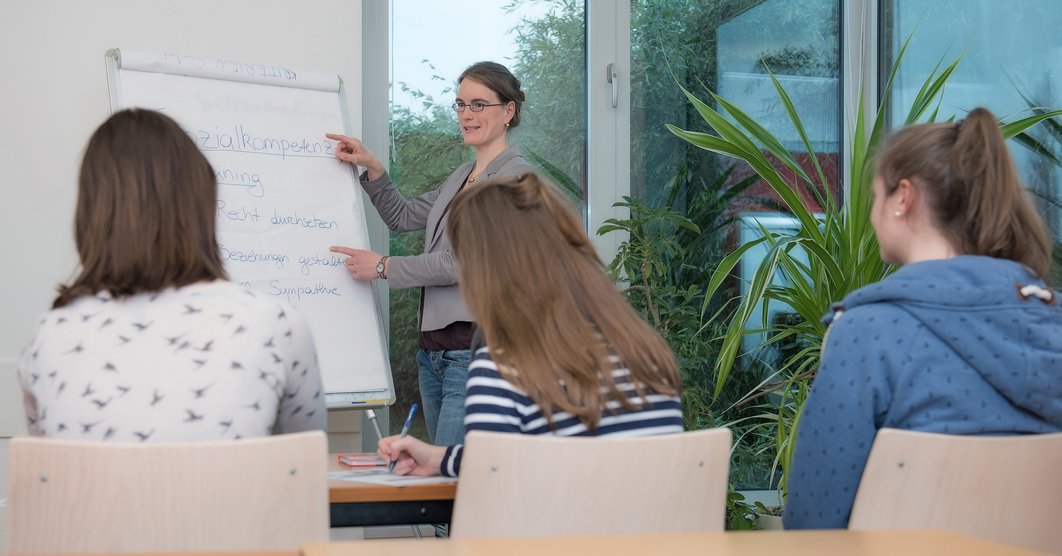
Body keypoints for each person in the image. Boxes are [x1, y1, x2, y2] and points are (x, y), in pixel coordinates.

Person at [783, 107, 1062, 529]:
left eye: (876, 196)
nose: (873, 212)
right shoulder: (1052, 322)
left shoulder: (867, 334)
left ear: (904, 198)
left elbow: (813, 520)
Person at [17, 109, 326, 442]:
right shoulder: (276, 323)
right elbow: (302, 464)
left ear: (92, 212)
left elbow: (53, 472)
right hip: (230, 495)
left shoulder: (51, 336)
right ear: (201, 202)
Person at [376, 173, 685, 477]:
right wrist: (441, 458)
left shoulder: (503, 367)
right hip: (640, 526)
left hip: (548, 524)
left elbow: (493, 487)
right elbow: (526, 459)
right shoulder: (646, 354)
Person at [326, 61, 533, 446]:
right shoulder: (462, 176)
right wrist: (373, 167)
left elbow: (464, 262)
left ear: (508, 111)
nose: (466, 115)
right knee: (442, 477)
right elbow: (402, 216)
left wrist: (384, 266)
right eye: (460, 105)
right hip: (435, 353)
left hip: (474, 350)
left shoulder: (513, 179)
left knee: (451, 478)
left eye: (478, 105)